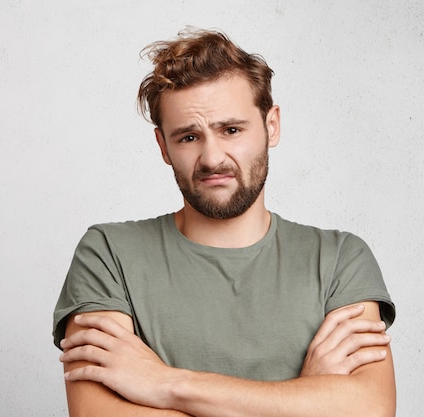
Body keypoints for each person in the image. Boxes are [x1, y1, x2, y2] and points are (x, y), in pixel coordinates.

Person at [53, 28, 396, 417]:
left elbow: (371, 409)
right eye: (188, 137)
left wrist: (166, 384)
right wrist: (304, 398)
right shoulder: (108, 254)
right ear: (163, 147)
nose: (212, 158)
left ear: (271, 126)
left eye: (231, 130)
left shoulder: (339, 260)